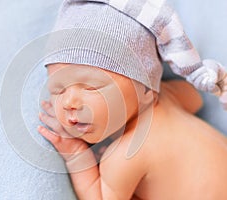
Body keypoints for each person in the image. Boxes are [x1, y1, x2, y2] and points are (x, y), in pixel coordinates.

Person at [37, 0, 227, 199]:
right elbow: (195, 98)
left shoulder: (125, 155)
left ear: (145, 89)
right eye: (58, 90)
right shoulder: (169, 97)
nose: (69, 103)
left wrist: (77, 154)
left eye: (91, 87)